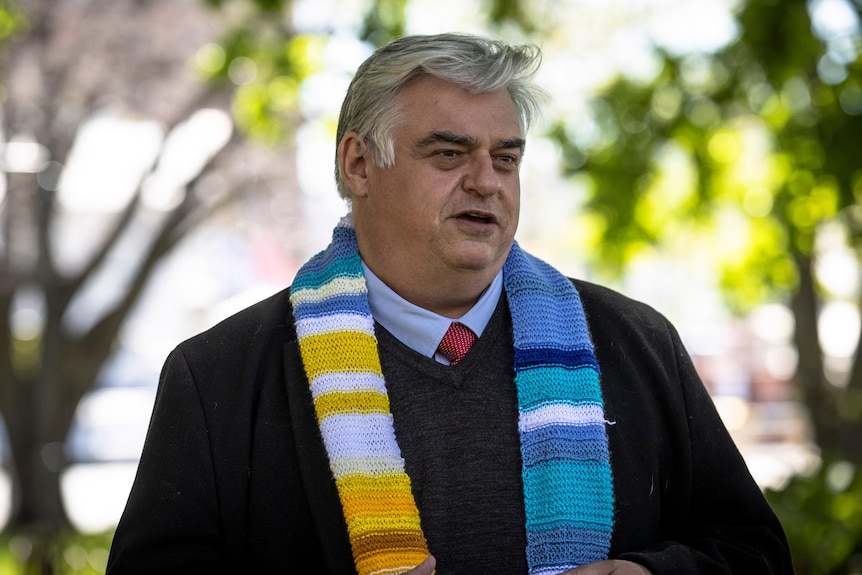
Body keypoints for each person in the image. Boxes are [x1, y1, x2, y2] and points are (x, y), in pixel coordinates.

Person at [106, 33, 794, 575]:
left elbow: (755, 550)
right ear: (357, 163)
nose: (485, 182)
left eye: (506, 157)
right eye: (449, 153)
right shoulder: (218, 376)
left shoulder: (637, 343)